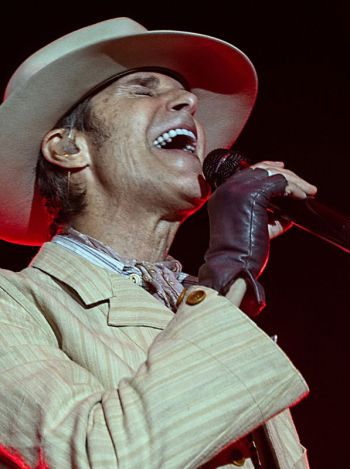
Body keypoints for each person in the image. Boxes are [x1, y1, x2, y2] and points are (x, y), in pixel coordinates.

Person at [0, 17, 318, 468]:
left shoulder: (198, 306)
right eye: (143, 90)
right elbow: (103, 458)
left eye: (183, 95)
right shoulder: (13, 303)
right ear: (68, 149)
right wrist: (230, 266)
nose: (189, 102)